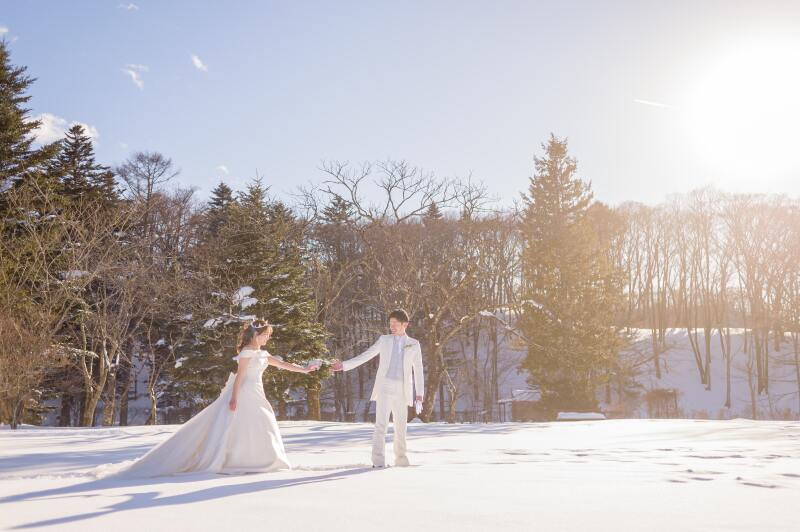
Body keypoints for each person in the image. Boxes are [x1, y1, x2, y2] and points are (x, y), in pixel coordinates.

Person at [107, 319, 318, 478]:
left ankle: (266, 460)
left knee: (263, 423)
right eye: (266, 335)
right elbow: (240, 378)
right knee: (252, 423)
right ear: (256, 335)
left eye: (269, 335)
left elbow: (283, 364)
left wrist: (305, 370)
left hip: (257, 392)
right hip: (245, 393)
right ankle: (247, 461)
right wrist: (234, 398)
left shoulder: (262, 353)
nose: (268, 338)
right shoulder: (246, 353)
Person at [331, 309, 424, 468]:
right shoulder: (384, 340)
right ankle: (378, 461)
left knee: (401, 427)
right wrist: (344, 365)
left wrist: (420, 395)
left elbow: (419, 370)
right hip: (385, 387)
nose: (392, 326)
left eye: (395, 323)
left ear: (405, 324)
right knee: (381, 425)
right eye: (390, 324)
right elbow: (366, 355)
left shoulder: (414, 344)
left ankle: (401, 460)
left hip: (403, 390)